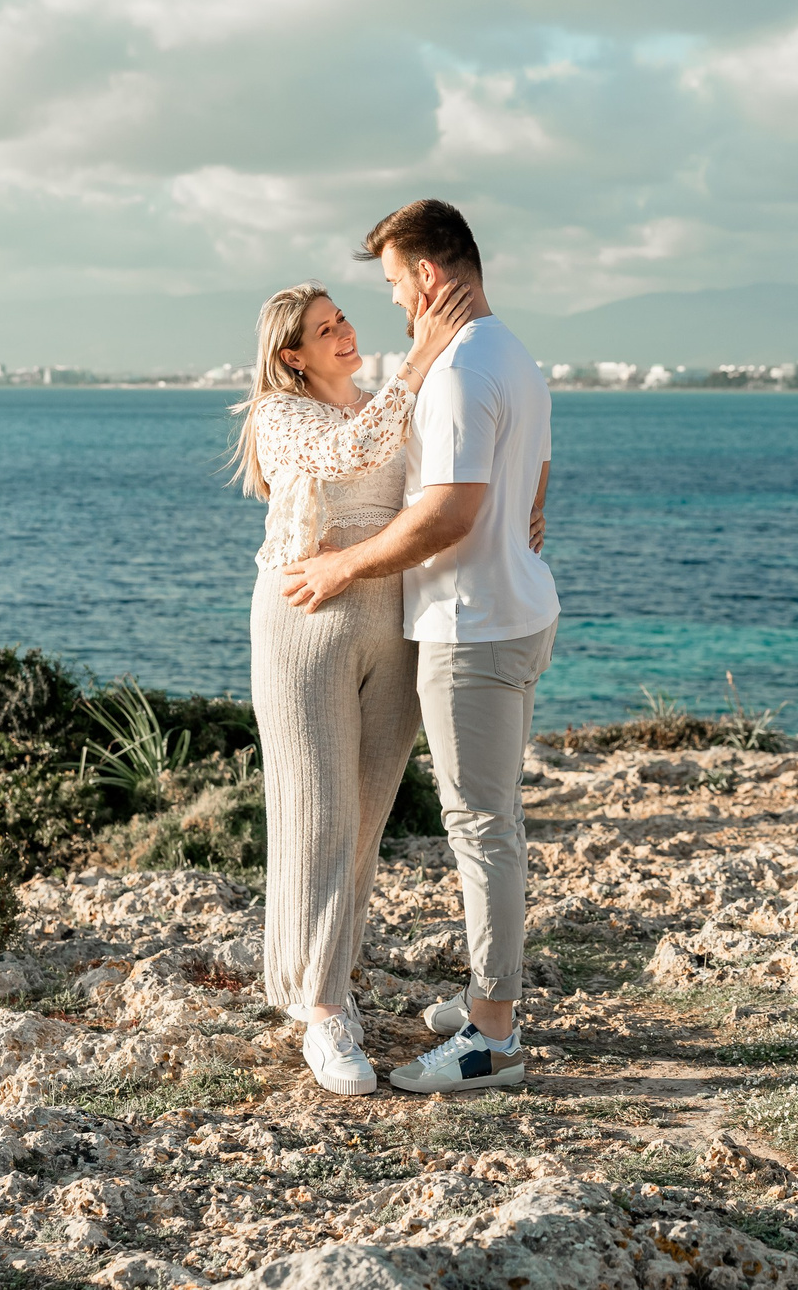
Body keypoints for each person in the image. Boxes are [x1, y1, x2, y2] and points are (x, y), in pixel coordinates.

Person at [279, 199, 557, 1094]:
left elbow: (448, 510)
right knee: (490, 821)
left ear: (430, 276)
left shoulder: (454, 372)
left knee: (482, 828)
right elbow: (534, 471)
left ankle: (492, 1036)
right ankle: (481, 995)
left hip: (468, 626)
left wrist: (344, 566)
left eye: (396, 285)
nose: (395, 306)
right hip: (516, 609)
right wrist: (523, 513)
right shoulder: (512, 352)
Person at [232, 275, 472, 1095]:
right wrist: (420, 360)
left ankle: (317, 983)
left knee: (365, 815)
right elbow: (351, 452)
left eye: (342, 320)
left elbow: (446, 476)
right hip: (305, 625)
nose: (344, 333)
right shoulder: (280, 415)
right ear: (291, 357)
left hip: (396, 624)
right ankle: (324, 1011)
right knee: (316, 814)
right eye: (324, 330)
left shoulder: (386, 396)